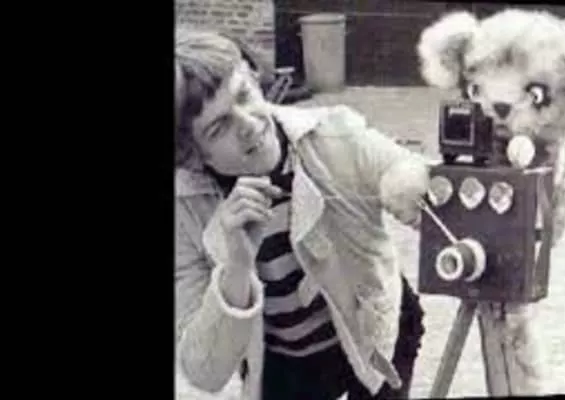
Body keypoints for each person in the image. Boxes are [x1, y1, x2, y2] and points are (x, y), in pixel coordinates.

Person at [174, 28, 428, 400]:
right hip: (285, 360)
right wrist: (237, 265)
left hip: (375, 333)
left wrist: (406, 184)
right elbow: (203, 371)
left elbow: (409, 170)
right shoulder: (184, 212)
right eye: (219, 127)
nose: (249, 124)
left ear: (254, 79)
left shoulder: (334, 134)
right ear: (191, 156)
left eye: (244, 95)